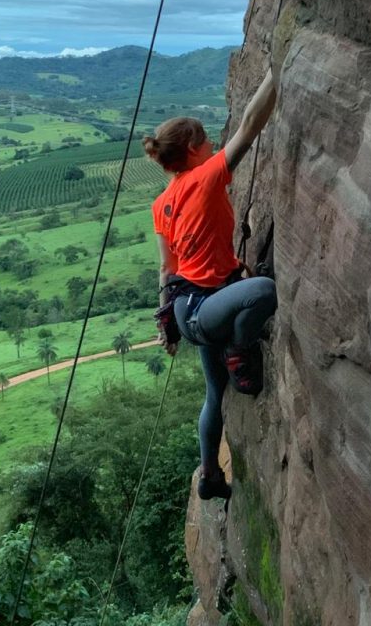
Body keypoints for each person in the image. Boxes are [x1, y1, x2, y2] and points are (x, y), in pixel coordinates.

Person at [142, 68, 278, 500]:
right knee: (265, 291)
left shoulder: (161, 203)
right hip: (206, 311)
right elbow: (250, 126)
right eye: (207, 143)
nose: (213, 147)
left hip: (187, 309)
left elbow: (167, 271)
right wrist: (277, 69)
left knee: (213, 394)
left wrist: (166, 326)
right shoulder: (206, 177)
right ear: (196, 149)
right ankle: (239, 349)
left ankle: (210, 478)